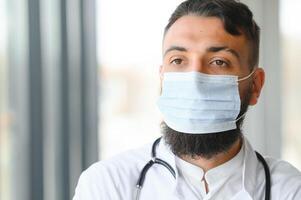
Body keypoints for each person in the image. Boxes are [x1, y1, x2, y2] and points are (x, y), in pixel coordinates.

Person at [73, 0, 301, 199]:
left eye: (219, 61)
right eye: (178, 60)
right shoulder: (107, 184)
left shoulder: (289, 189)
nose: (194, 80)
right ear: (162, 79)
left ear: (255, 86)